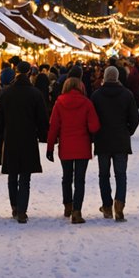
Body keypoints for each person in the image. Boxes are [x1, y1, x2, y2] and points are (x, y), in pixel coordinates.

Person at [0, 61, 49, 223]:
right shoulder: (35, 93)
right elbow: (42, 118)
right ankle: (22, 210)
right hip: (28, 138)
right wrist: (41, 134)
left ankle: (14, 206)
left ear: (16, 72)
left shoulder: (6, 93)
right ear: (29, 73)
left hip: (10, 137)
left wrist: (1, 134)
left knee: (12, 175)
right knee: (25, 176)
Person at [47, 77, 100, 224]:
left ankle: (67, 206)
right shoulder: (87, 103)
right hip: (82, 146)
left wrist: (50, 147)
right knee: (79, 180)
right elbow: (94, 126)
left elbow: (53, 127)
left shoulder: (59, 103)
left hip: (66, 146)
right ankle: (77, 211)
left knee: (66, 177)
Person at [91, 66, 139, 222]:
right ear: (117, 77)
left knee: (104, 175)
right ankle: (119, 206)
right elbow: (134, 118)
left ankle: (107, 206)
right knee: (121, 175)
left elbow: (92, 119)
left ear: (105, 77)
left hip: (102, 140)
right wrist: (128, 131)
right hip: (121, 140)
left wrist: (95, 134)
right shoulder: (127, 94)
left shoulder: (96, 95)